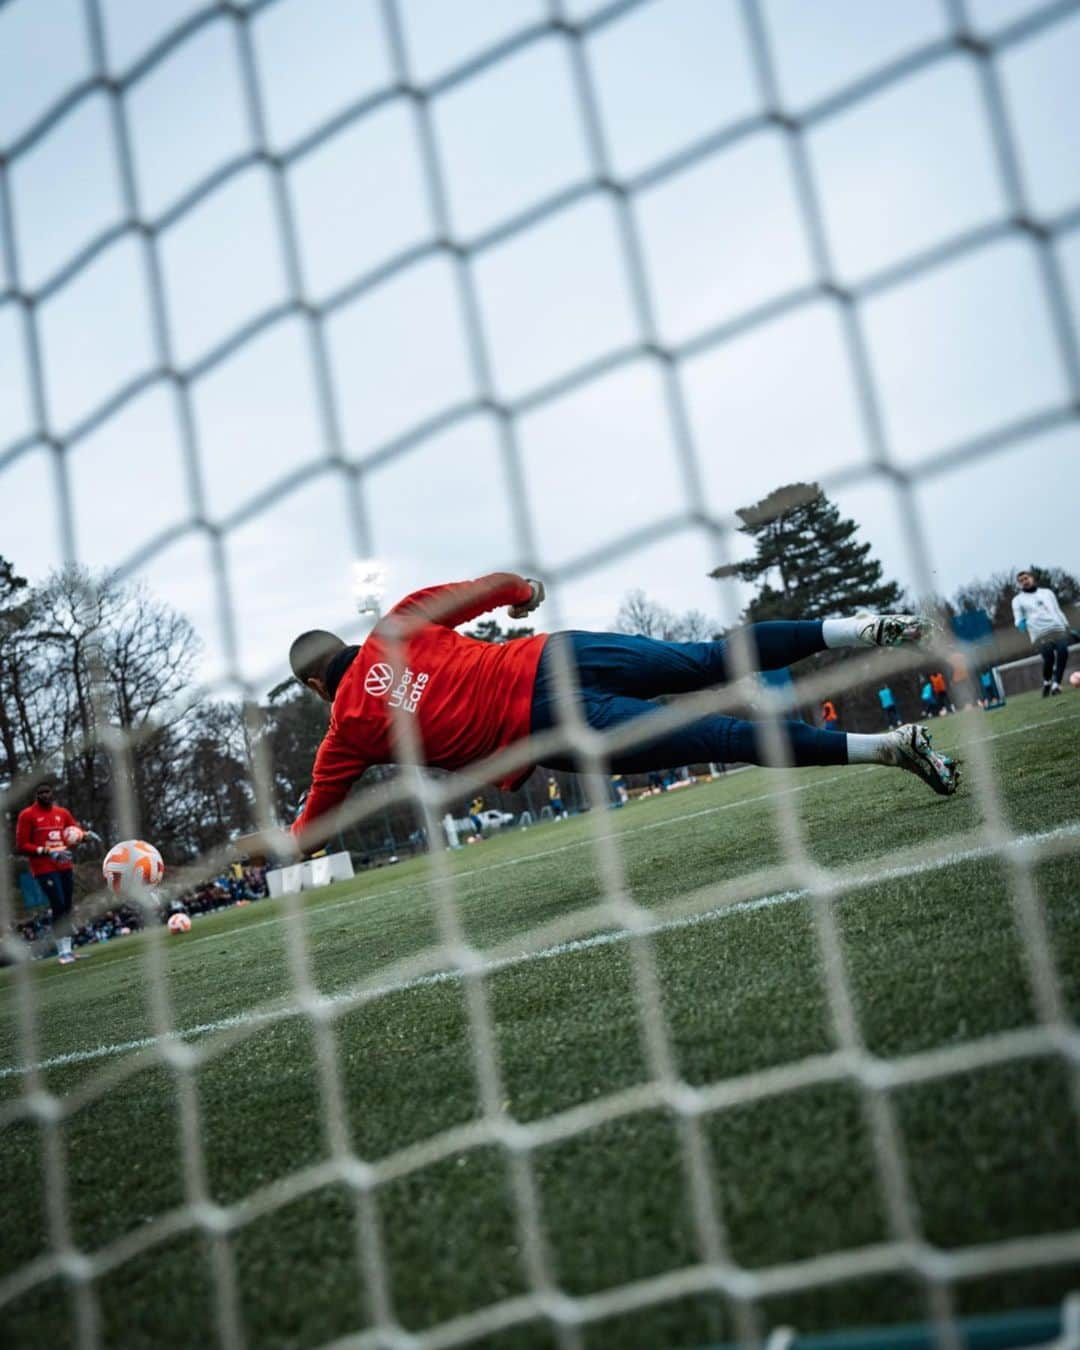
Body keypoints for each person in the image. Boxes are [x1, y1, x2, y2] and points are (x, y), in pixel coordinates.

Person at [287, 572, 959, 847]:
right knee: (707, 661)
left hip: (548, 729)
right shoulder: (397, 624)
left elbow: (310, 829)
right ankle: (859, 626)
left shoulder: (346, 733)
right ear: (345, 646)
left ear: (315, 689)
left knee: (719, 735)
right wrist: (525, 594)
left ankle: (891, 747)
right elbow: (494, 587)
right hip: (554, 656)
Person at [14, 781, 86, 965]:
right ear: (36, 796)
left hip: (64, 865)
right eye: (42, 793)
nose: (46, 796)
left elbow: (73, 832)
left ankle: (69, 950)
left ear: (53, 794)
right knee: (58, 904)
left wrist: (84, 836)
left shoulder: (62, 813)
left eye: (48, 792)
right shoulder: (27, 815)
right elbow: (22, 845)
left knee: (67, 906)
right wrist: (46, 851)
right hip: (43, 868)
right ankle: (62, 953)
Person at [1012, 569, 1072, 697]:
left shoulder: (1047, 593)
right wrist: (1020, 624)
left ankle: (1056, 684)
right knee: (1049, 658)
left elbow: (1057, 610)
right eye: (1021, 581)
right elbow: (1017, 618)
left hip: (1057, 628)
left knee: (1063, 652)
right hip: (1039, 633)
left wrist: (1066, 625)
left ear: (1032, 579)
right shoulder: (1018, 600)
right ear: (1019, 584)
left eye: (1026, 578)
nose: (1024, 582)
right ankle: (1047, 682)